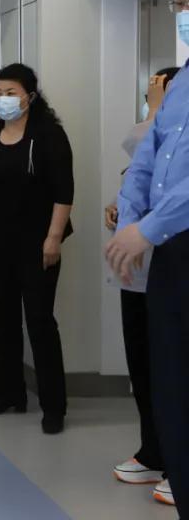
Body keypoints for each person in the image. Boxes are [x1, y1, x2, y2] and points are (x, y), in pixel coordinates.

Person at [107, 0, 189, 516]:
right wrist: (129, 227)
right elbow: (146, 159)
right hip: (172, 253)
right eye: (177, 3)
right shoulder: (181, 84)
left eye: (186, 3)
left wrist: (149, 227)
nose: (180, 13)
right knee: (170, 382)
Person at [0, 63, 73, 435]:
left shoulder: (48, 135)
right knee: (5, 319)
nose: (3, 100)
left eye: (10, 93)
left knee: (40, 321)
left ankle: (53, 406)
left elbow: (64, 191)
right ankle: (8, 392)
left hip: (38, 242)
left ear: (30, 95)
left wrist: (53, 238)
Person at [105, 67, 178, 497]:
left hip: (168, 255)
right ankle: (155, 453)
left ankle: (174, 464)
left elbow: (145, 142)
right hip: (144, 268)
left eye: (160, 84)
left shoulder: (168, 116)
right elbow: (141, 167)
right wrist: (121, 214)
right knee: (149, 366)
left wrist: (157, 109)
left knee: (173, 371)